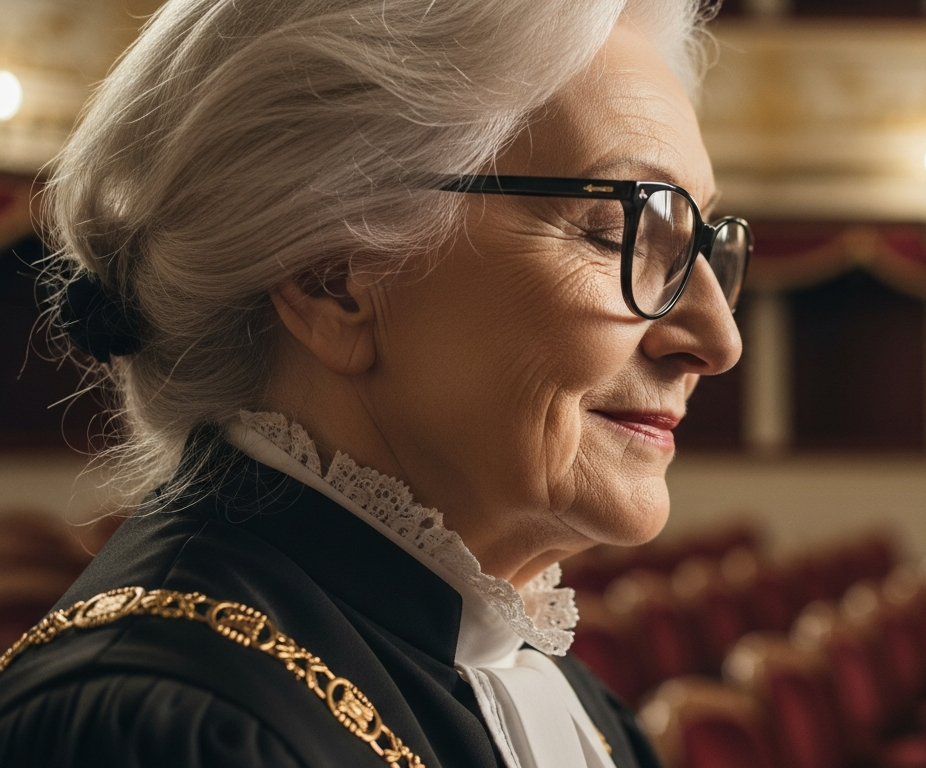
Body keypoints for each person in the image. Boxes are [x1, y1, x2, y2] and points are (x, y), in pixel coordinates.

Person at [0, 0, 747, 765]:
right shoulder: (159, 725)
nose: (717, 341)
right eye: (621, 232)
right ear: (333, 278)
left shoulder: (570, 704)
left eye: (704, 249)